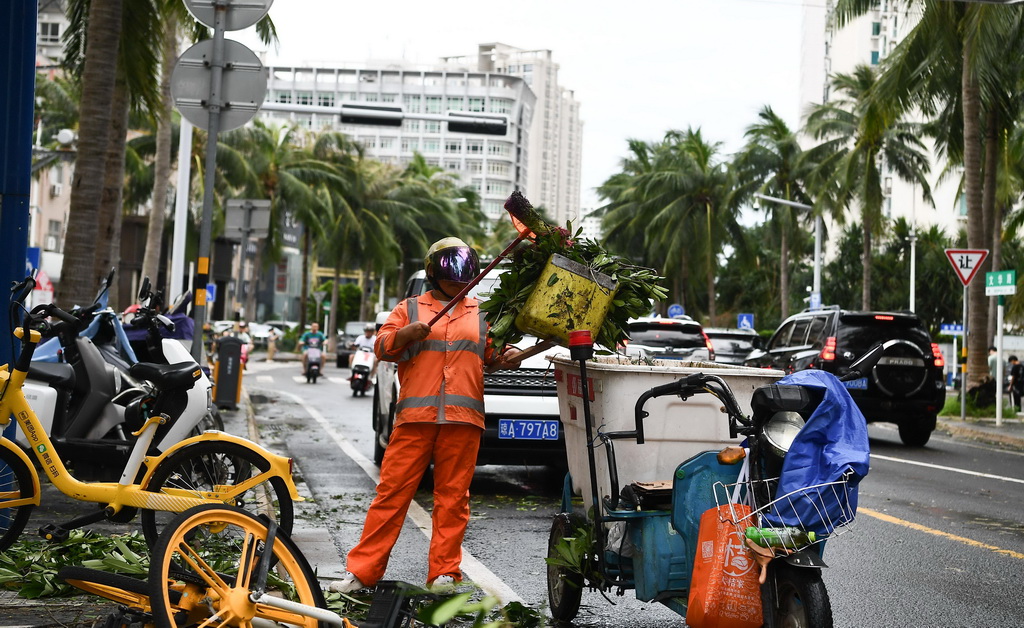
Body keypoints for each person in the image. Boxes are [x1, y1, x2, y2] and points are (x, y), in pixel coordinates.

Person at [330, 237, 521, 593]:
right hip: (415, 420)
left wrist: (510, 355)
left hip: (463, 422)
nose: (456, 278)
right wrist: (404, 333)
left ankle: (444, 573)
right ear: (433, 272)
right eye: (448, 270)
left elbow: (493, 357)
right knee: (391, 495)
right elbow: (382, 347)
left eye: (463, 271)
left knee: (453, 499)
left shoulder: (482, 313)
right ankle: (362, 573)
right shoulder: (411, 308)